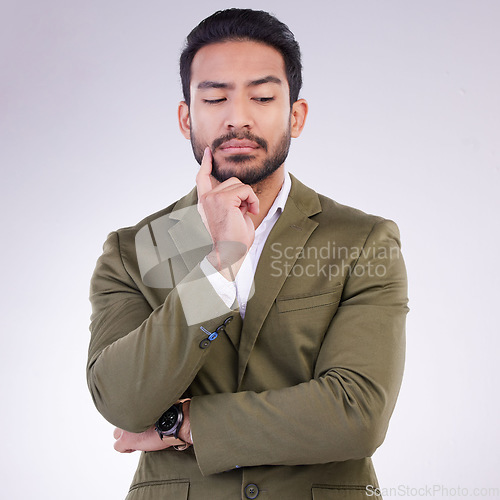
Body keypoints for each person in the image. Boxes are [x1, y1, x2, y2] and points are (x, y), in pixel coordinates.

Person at [87, 8, 408, 500]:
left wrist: (184, 424)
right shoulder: (133, 252)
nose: (238, 116)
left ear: (294, 116)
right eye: (215, 97)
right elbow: (124, 401)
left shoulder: (362, 241)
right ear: (185, 117)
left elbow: (357, 413)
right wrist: (219, 265)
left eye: (262, 97)